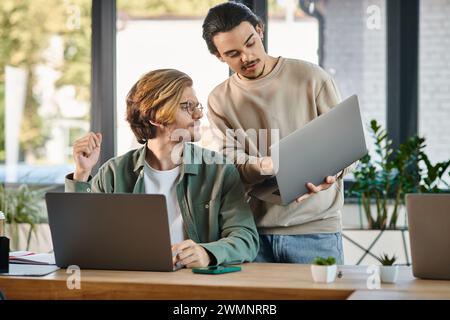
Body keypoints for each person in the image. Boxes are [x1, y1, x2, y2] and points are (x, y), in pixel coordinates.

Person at [202, 2, 352, 264]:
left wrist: (332, 173)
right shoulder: (219, 99)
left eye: (250, 43)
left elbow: (345, 146)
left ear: (260, 31)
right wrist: (262, 165)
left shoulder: (312, 78)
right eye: (233, 53)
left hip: (316, 231)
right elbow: (227, 161)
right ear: (219, 56)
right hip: (251, 236)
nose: (246, 57)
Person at [65, 68, 259, 268]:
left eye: (197, 106)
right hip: (132, 282)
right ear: (156, 117)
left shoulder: (219, 170)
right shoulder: (113, 173)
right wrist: (82, 173)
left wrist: (207, 253)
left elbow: (246, 239)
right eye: (187, 106)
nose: (199, 114)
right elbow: (81, 242)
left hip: (195, 283)